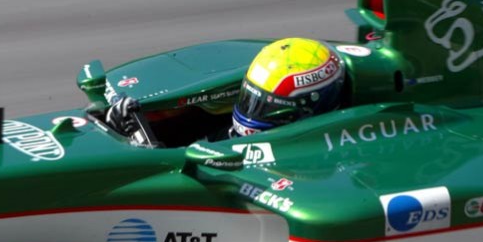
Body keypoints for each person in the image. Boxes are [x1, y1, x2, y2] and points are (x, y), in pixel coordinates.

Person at [105, 37, 347, 141]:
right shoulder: (234, 135)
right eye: (251, 97)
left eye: (269, 107)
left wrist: (144, 145)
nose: (253, 112)